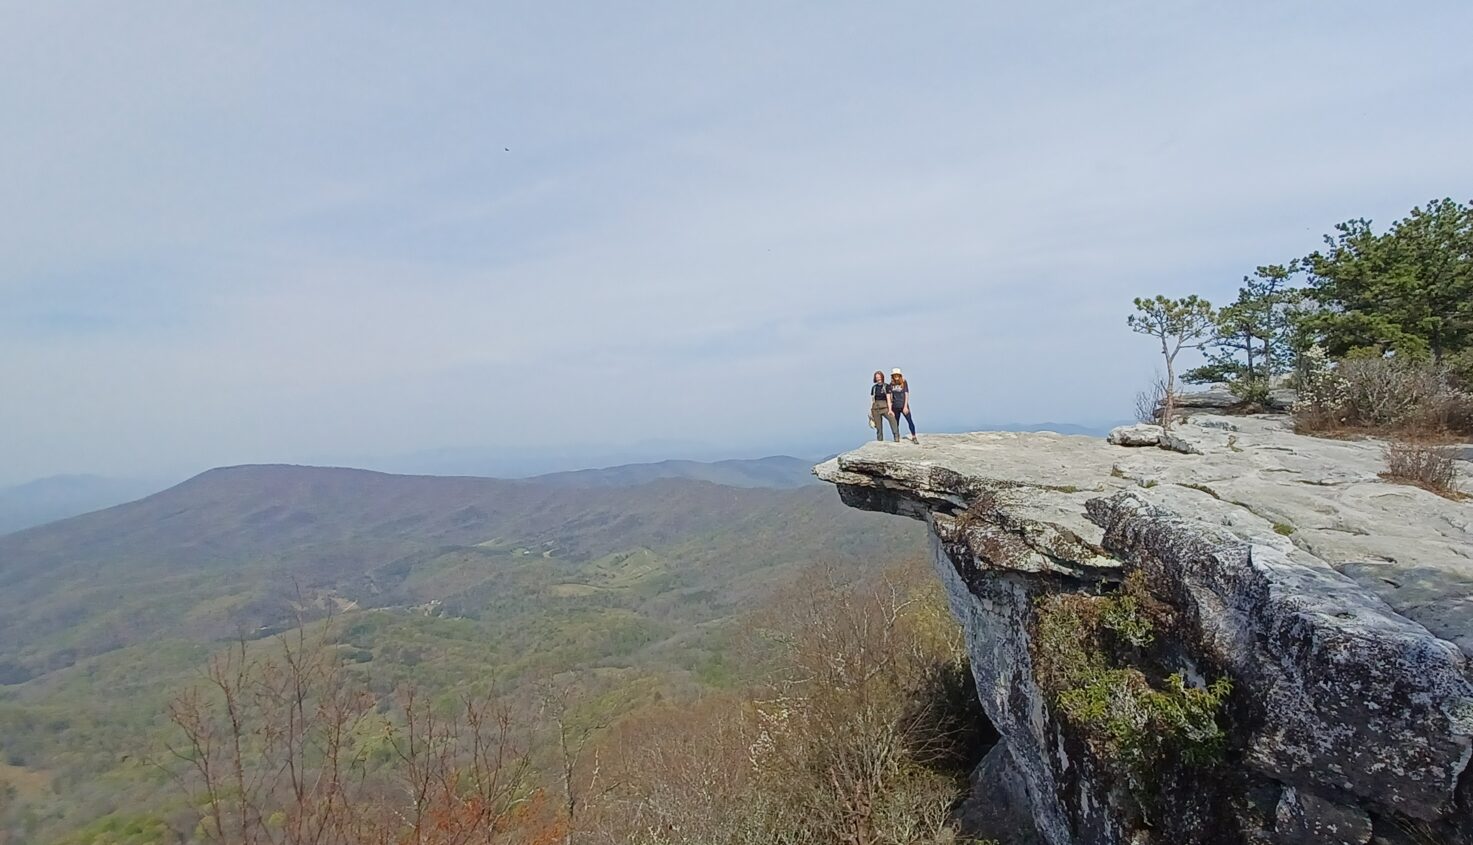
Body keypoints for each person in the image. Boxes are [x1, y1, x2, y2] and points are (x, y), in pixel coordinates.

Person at [869, 370, 900, 441]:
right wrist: (871, 411)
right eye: (877, 377)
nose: (878, 379)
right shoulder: (874, 388)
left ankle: (896, 436)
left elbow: (889, 399)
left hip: (884, 406)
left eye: (879, 377)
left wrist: (890, 410)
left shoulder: (886, 386)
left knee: (892, 420)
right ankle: (879, 440)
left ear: (882, 377)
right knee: (878, 426)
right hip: (875, 408)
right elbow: (872, 399)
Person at [890, 368, 918, 443]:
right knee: (896, 423)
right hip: (895, 406)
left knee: (909, 420)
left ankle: (914, 436)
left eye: (897, 375)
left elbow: (906, 394)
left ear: (899, 375)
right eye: (894, 375)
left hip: (903, 405)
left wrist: (905, 406)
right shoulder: (891, 384)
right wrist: (890, 408)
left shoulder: (904, 382)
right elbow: (890, 396)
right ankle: (897, 437)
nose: (896, 376)